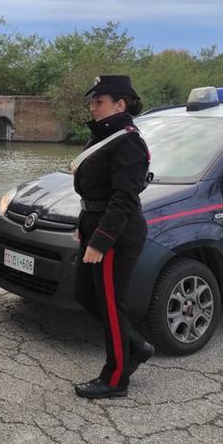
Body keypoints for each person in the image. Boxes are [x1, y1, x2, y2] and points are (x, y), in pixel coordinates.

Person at [71, 75, 155, 399]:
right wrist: (85, 225)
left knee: (109, 304)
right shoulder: (103, 136)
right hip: (95, 222)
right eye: (92, 101)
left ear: (120, 104)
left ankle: (116, 377)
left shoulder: (128, 141)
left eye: (100, 101)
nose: (93, 107)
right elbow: (93, 189)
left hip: (117, 234)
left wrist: (100, 240)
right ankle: (134, 346)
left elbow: (124, 198)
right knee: (85, 295)